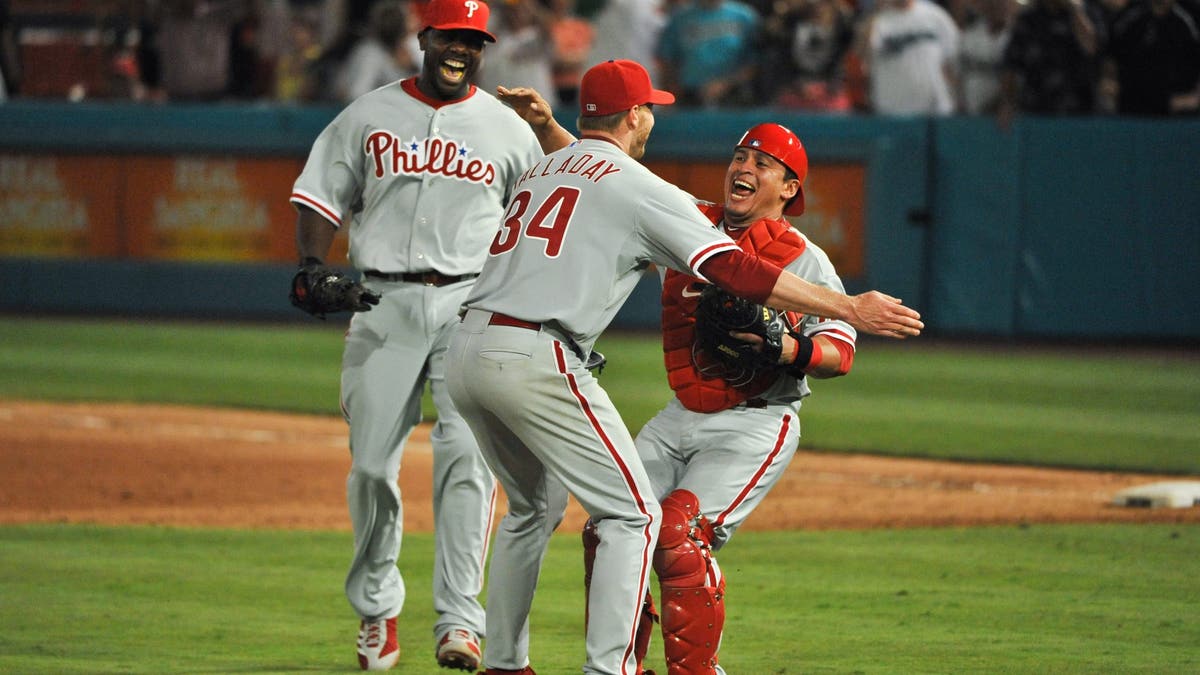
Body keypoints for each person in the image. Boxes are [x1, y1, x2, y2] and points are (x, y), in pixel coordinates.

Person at [449, 59, 922, 675]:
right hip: (545, 358)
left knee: (564, 514)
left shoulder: (554, 167)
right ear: (637, 115)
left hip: (473, 348)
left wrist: (787, 348)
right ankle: (613, 668)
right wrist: (852, 306)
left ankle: (530, 664)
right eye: (741, 155)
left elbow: (838, 353)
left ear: (790, 189)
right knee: (631, 518)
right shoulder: (667, 203)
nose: (745, 167)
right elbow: (717, 257)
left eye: (763, 163)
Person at [287, 0, 544, 670]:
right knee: (371, 464)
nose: (461, 50)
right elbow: (318, 195)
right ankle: (378, 610)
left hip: (472, 305)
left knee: (469, 459)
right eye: (449, 37)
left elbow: (542, 231)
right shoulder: (369, 114)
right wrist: (314, 265)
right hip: (381, 300)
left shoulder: (508, 130)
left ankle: (461, 621)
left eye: (473, 40)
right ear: (423, 37)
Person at [998, 0, 1106, 126]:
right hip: (1037, 111)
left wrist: (1075, 10)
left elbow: (1091, 46)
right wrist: (1008, 102)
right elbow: (1011, 65)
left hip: (1081, 112)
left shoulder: (1088, 11)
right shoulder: (1028, 18)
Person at [857, 0, 961, 115]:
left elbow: (954, 59)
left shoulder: (935, 15)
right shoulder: (879, 20)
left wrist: (955, 98)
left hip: (936, 110)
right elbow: (862, 54)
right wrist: (876, 11)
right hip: (892, 111)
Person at [656, 0, 762, 107]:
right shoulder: (680, 19)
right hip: (689, 96)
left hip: (735, 96)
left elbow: (756, 61)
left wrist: (726, 83)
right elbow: (666, 58)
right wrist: (670, 94)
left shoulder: (744, 16)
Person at [1105, 0, 1200, 116]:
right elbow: (1111, 54)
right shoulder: (1130, 15)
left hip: (1178, 111)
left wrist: (1192, 99)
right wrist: (1110, 81)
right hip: (1132, 108)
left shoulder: (1190, 17)